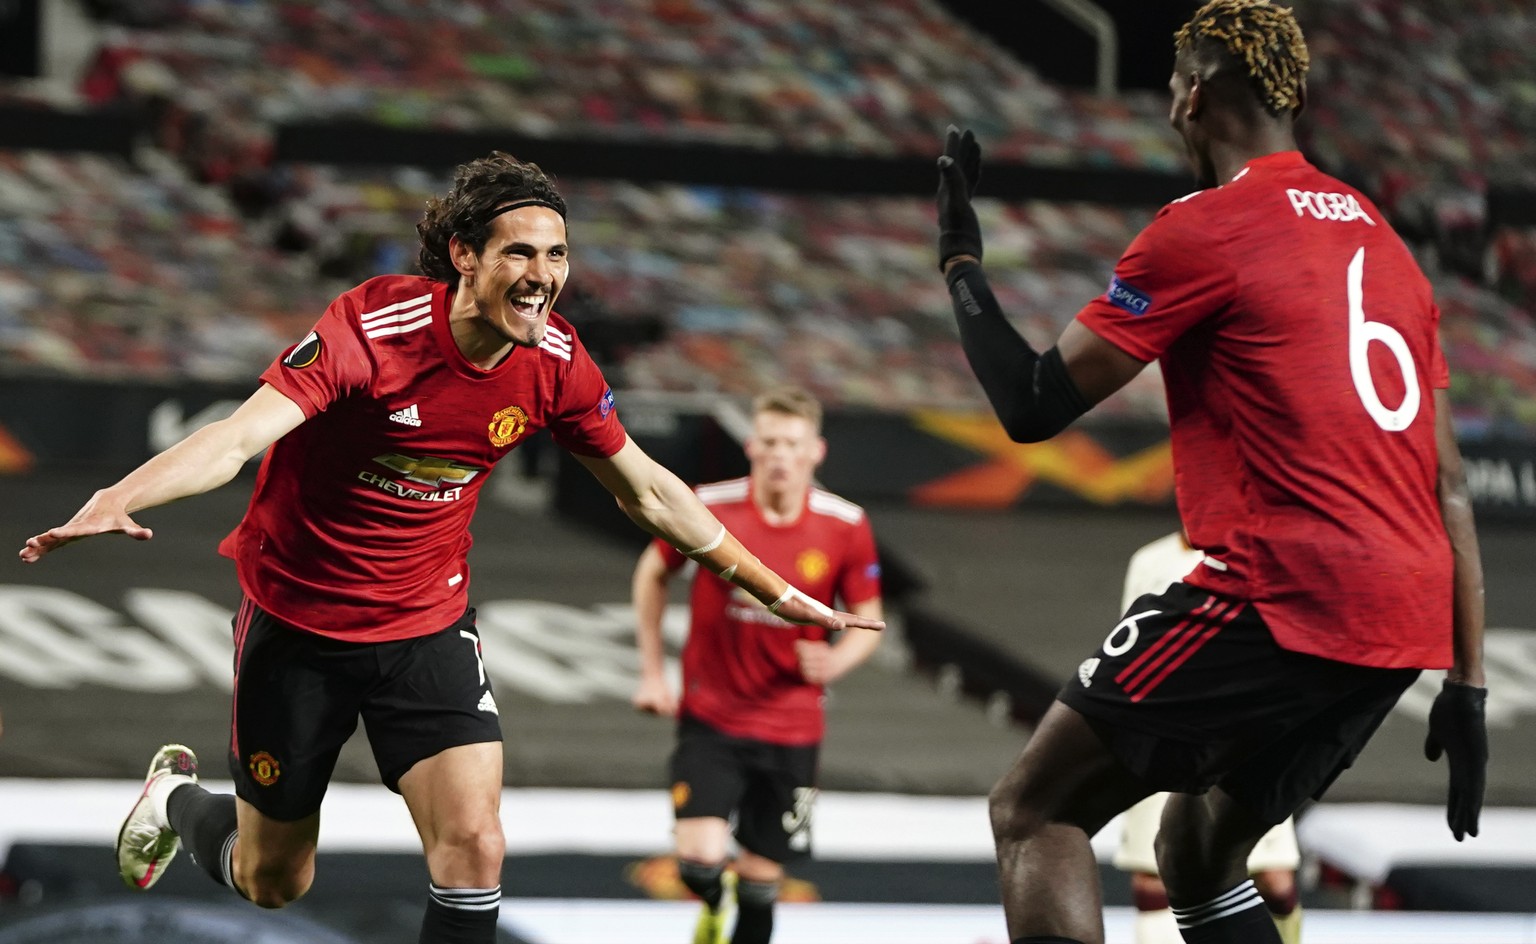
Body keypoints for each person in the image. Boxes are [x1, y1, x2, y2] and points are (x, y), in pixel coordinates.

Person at [18, 152, 881, 944]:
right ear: (464, 255)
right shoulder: (371, 327)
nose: (543, 277)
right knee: (273, 880)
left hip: (426, 627)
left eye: (557, 255)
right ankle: (175, 799)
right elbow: (236, 440)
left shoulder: (555, 361)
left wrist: (770, 588)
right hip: (300, 627)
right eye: (520, 253)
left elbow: (649, 488)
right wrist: (118, 496)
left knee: (474, 846)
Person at [932, 2, 1488, 943]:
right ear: (1295, 96)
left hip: (1286, 591)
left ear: (1191, 95)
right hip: (1405, 622)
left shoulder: (1207, 227)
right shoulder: (1388, 244)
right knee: (1198, 855)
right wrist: (1467, 687)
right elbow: (1452, 485)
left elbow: (1032, 404)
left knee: (1036, 812)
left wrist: (959, 262)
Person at [630, 386, 883, 944]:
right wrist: (652, 669)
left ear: (815, 452)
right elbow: (652, 572)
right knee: (698, 861)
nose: (779, 455)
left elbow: (870, 619)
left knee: (763, 882)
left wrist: (834, 663)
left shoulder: (845, 525)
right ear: (751, 445)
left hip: (792, 727)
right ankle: (710, 903)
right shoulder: (708, 507)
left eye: (792, 444)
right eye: (769, 441)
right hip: (711, 716)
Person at [1112, 533, 1301, 944]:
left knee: (1274, 878)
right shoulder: (1150, 558)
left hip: (1243, 727)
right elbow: (1126, 639)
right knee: (1154, 878)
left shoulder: (1259, 550)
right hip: (1163, 726)